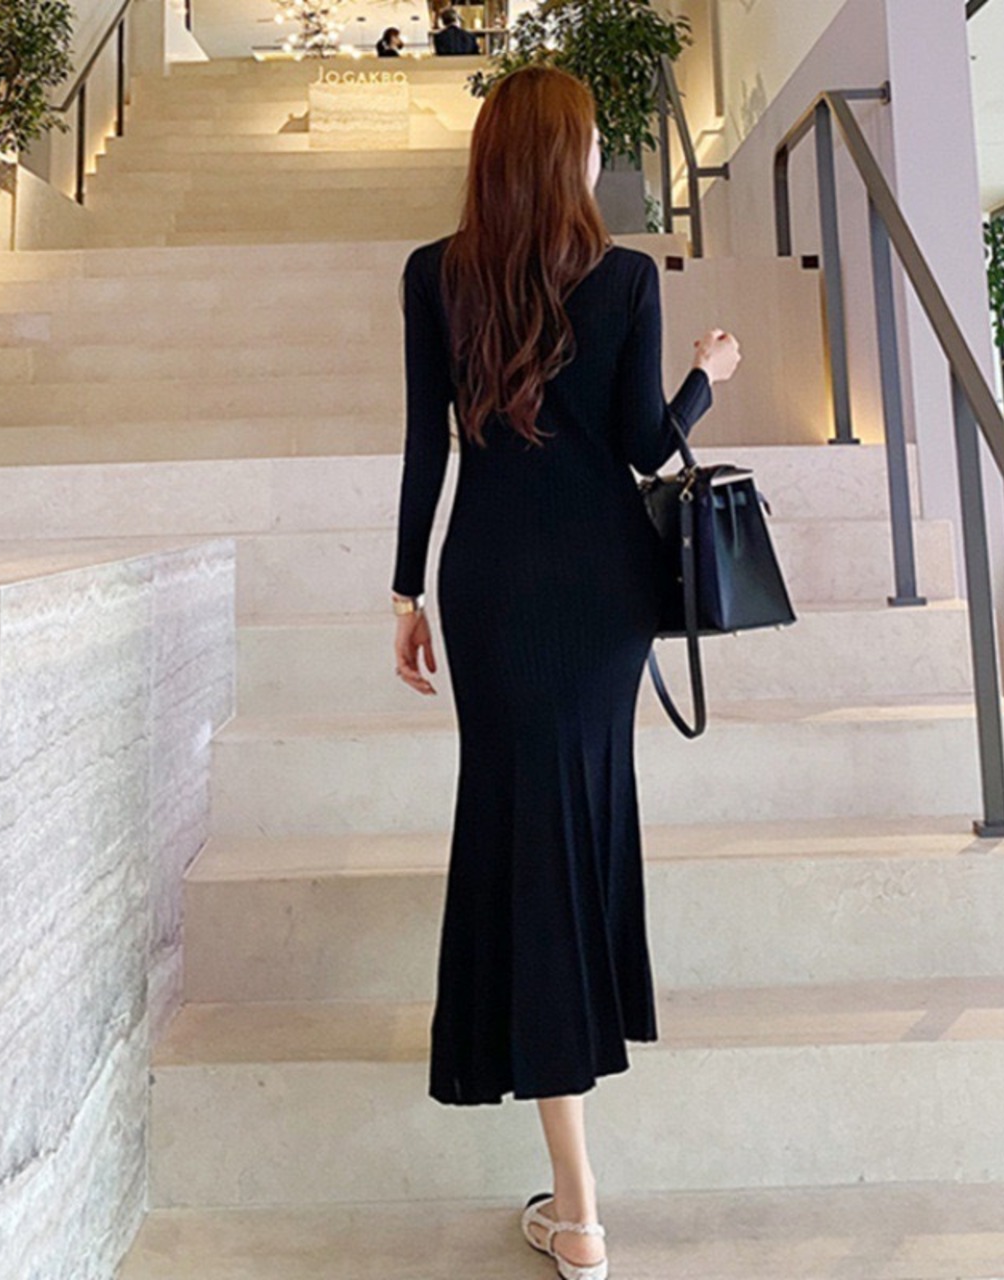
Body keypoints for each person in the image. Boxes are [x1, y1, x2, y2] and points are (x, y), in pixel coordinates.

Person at [391, 64, 740, 1280]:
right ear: (565, 155)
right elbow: (645, 445)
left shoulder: (434, 273)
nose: (597, 158)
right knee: (568, 834)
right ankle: (578, 1198)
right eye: (590, 141)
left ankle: (575, 1194)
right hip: (602, 599)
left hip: (486, 586)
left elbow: (424, 446)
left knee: (524, 837)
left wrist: (403, 590)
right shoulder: (626, 276)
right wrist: (708, 375)